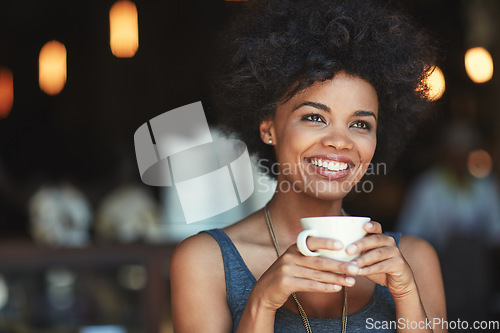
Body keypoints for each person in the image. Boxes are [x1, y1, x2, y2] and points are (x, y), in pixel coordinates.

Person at [170, 0, 446, 332]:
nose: (340, 141)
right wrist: (262, 302)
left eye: (360, 124)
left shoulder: (414, 261)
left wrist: (404, 292)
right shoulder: (206, 262)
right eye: (314, 117)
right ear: (268, 126)